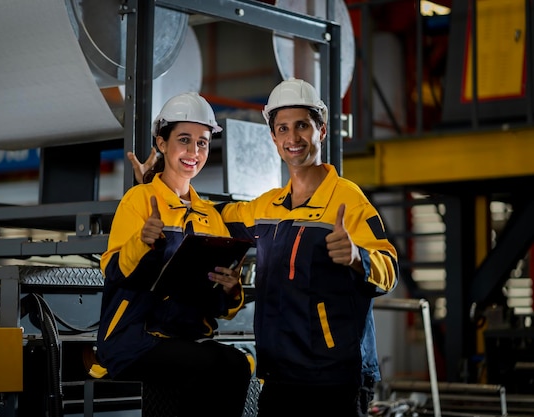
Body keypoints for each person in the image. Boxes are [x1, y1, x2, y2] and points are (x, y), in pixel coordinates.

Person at [127, 79, 399, 417]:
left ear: (322, 130)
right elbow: (208, 213)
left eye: (302, 125)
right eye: (282, 128)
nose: (293, 138)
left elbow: (389, 270)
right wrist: (157, 181)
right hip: (279, 375)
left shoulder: (348, 200)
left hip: (334, 377)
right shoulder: (265, 208)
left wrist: (359, 257)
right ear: (273, 137)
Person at [96, 92, 252, 417]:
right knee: (205, 365)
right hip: (133, 339)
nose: (194, 151)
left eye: (203, 143)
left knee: (237, 364)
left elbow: (223, 308)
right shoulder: (139, 200)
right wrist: (143, 241)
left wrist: (231, 289)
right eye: (184, 140)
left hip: (185, 338)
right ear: (162, 144)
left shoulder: (210, 216)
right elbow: (113, 270)